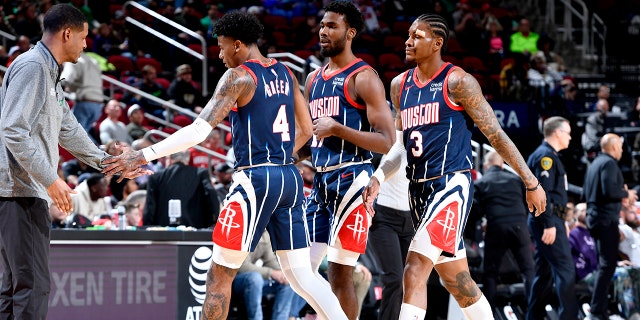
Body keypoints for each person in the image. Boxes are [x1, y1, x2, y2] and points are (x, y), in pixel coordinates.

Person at [101, 10, 348, 320]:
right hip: (289, 176)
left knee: (219, 277)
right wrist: (279, 154)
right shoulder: (286, 72)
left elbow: (199, 130)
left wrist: (142, 154)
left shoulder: (239, 76)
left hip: (256, 178)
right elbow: (307, 130)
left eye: (221, 46)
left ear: (237, 45)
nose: (218, 54)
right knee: (303, 277)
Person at [362, 13, 546, 320]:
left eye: (416, 36)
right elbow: (400, 144)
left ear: (437, 43)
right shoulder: (399, 86)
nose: (408, 41)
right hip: (417, 191)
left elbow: (496, 135)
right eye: (407, 35)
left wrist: (531, 182)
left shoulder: (458, 81)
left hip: (450, 186)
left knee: (414, 271)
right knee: (458, 282)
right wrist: (379, 176)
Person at [0, 5, 148, 319]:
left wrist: (110, 163)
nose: (85, 45)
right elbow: (12, 129)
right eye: (83, 37)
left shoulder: (49, 73)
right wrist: (51, 179)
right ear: (67, 33)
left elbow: (69, 129)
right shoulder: (33, 67)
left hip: (22, 191)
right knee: (31, 286)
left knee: (15, 288)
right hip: (19, 192)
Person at [303, 2, 396, 319]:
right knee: (302, 271)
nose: (323, 31)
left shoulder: (364, 77)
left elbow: (387, 141)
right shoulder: (314, 79)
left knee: (341, 275)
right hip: (319, 181)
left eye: (332, 26)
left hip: (352, 180)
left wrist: (338, 128)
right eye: (322, 25)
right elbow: (307, 133)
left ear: (350, 32)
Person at [525, 116, 578, 320]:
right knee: (566, 270)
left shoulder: (548, 155)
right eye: (568, 132)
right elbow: (543, 193)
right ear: (557, 133)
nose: (571, 137)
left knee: (544, 274)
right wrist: (549, 224)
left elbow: (555, 197)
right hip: (546, 221)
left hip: (550, 221)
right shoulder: (545, 157)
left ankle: (533, 317)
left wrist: (561, 222)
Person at [583, 133, 637, 320]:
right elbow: (609, 190)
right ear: (613, 147)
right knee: (607, 266)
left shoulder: (595, 164)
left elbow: (591, 193)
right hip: (605, 221)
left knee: (604, 266)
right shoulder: (609, 163)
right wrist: (626, 194)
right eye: (620, 146)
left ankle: (601, 308)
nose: (622, 150)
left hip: (595, 218)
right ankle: (597, 311)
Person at [473, 151, 535, 308]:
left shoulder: (482, 182)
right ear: (501, 164)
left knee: (491, 273)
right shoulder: (515, 179)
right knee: (528, 271)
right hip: (520, 227)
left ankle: (489, 314)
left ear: (486, 166)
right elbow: (527, 203)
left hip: (497, 227)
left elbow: (476, 211)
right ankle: (533, 313)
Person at [143, 150, 218, 228]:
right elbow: (211, 195)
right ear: (187, 159)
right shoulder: (200, 173)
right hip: (194, 230)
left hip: (163, 232)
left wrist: (148, 228)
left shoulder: (156, 178)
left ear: (169, 158)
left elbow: (150, 207)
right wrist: (213, 220)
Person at [232, 232, 295, 320]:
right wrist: (271, 273)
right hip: (233, 280)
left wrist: (283, 274)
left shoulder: (264, 232)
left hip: (254, 282)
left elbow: (270, 260)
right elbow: (242, 266)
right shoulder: (242, 230)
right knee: (255, 278)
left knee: (289, 279)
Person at [60, 51, 104, 135]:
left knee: (77, 134)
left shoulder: (73, 59)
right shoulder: (93, 61)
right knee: (84, 134)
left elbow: (66, 79)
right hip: (98, 106)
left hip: (85, 103)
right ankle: (96, 147)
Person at [568, 202, 598, 284]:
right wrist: (584, 273)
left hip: (599, 271)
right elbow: (573, 258)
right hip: (586, 274)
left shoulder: (593, 233)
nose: (587, 212)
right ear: (575, 215)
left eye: (588, 210)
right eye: (583, 210)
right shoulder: (573, 234)